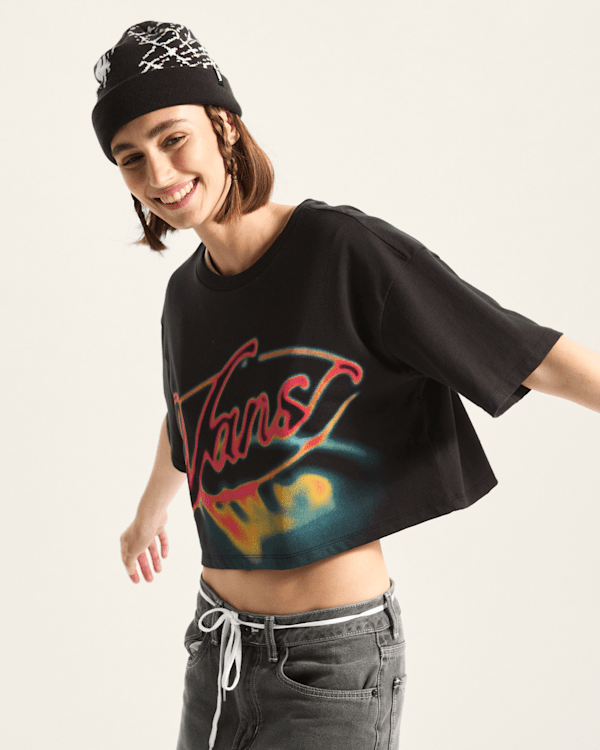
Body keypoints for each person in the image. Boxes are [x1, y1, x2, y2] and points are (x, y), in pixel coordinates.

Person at [92, 21, 599, 750]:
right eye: (130, 158)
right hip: (216, 644)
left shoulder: (340, 250)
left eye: (173, 138)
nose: (159, 173)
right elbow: (189, 420)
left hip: (330, 661)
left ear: (224, 126)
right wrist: (148, 513)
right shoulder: (184, 296)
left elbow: (521, 351)